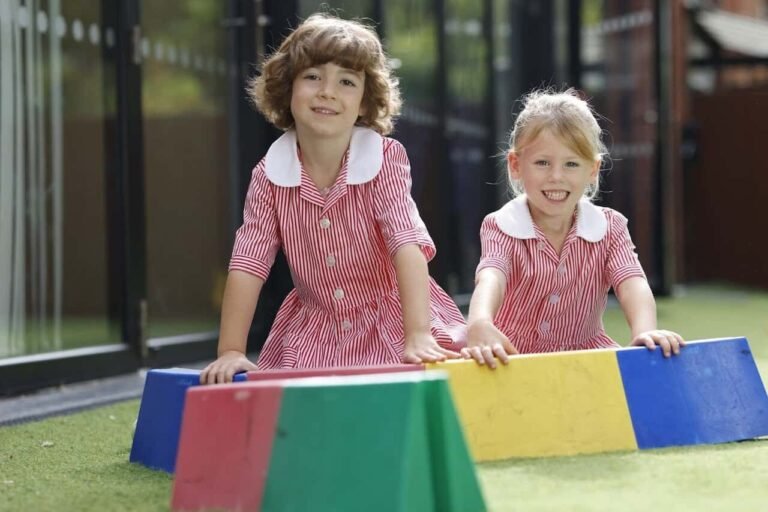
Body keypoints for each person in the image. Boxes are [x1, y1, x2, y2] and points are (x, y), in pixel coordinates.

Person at [201, 13, 465, 384]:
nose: (327, 91)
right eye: (312, 77)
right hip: (315, 329)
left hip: (393, 318)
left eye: (346, 81)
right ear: (287, 87)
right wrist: (230, 350)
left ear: (364, 102)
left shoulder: (384, 159)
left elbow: (406, 244)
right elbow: (249, 263)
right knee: (305, 411)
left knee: (408, 389)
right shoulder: (269, 175)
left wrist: (417, 332)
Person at [462, 88, 684, 368]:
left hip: (585, 360)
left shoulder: (610, 227)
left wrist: (644, 331)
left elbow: (632, 283)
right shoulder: (501, 226)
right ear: (516, 165)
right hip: (513, 359)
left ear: (592, 170)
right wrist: (480, 321)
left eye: (571, 164)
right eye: (542, 163)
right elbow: (491, 277)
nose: (556, 177)